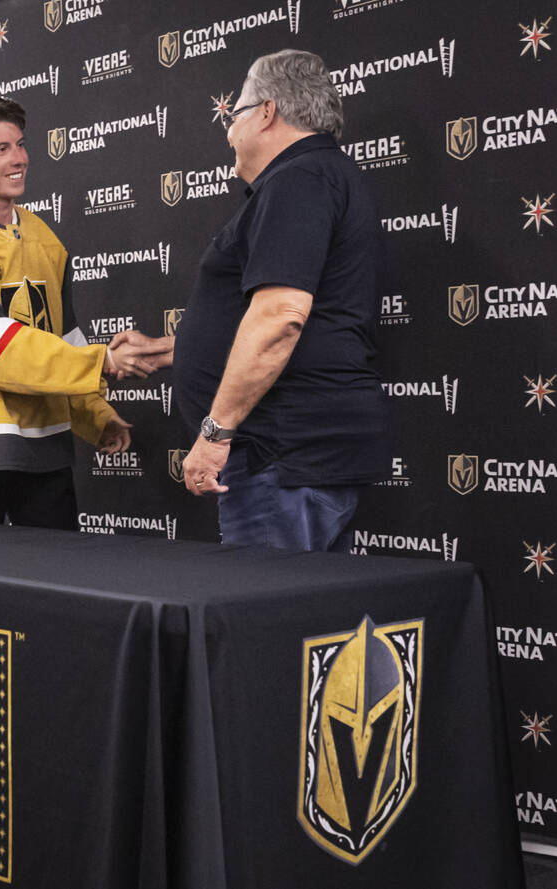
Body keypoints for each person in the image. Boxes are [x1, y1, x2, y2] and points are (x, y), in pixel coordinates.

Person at [134, 49, 391, 552]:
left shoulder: (299, 179)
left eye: (235, 117)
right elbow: (294, 312)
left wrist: (214, 434)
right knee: (308, 624)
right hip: (298, 456)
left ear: (268, 112)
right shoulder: (314, 177)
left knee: (269, 625)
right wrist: (173, 350)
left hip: (281, 456)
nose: (228, 132)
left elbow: (279, 318)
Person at [0, 97, 152, 529]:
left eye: (20, 145)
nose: (19, 158)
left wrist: (94, 415)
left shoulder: (45, 238)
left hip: (46, 449)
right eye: (0, 149)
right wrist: (105, 360)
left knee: (56, 589)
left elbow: (64, 339)